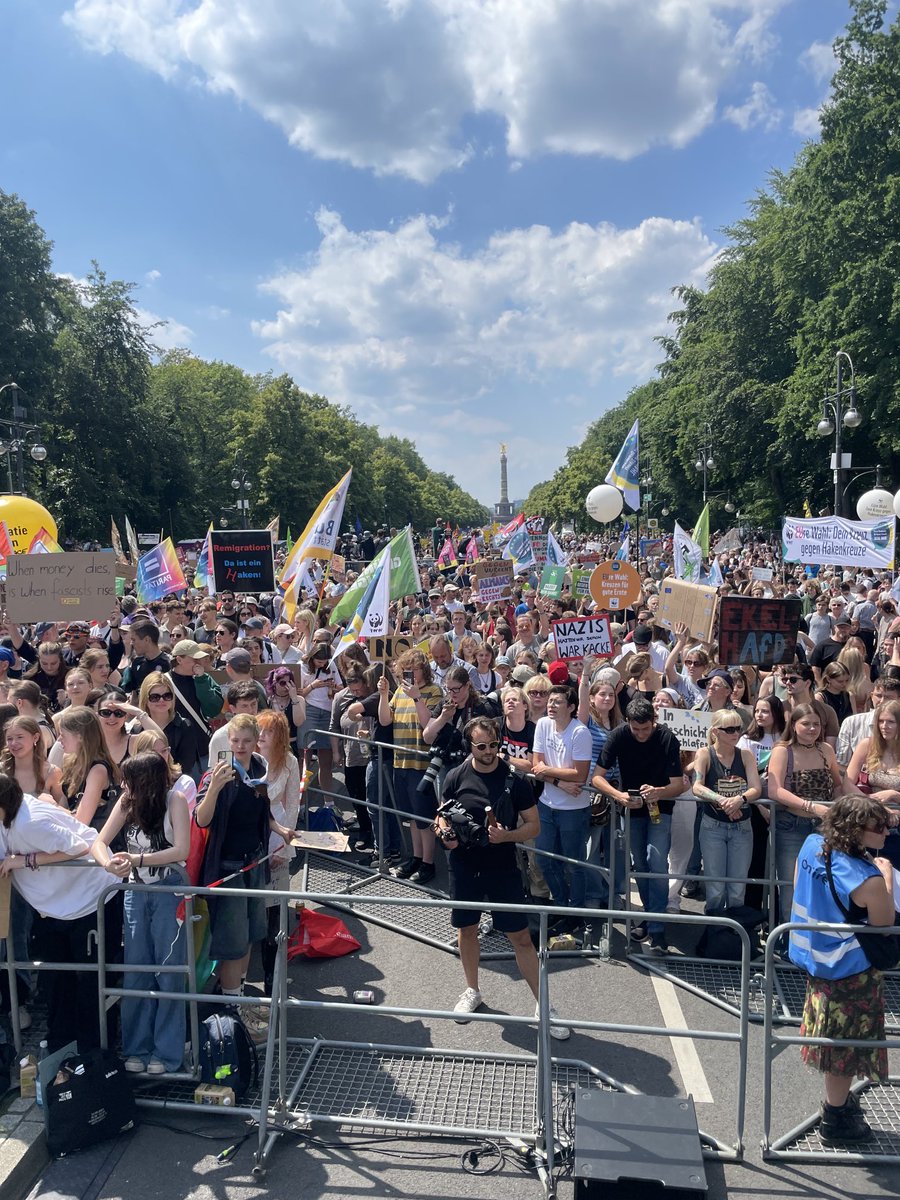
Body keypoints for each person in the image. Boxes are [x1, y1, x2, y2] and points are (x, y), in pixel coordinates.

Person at [438, 716, 569, 1040]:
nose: (488, 752)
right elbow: (440, 816)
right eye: (481, 746)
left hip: (502, 867)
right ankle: (472, 991)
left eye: (494, 745)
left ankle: (544, 1006)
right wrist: (445, 835)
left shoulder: (516, 781)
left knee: (521, 938)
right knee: (466, 929)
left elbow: (534, 826)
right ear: (470, 746)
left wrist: (507, 836)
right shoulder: (455, 776)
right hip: (465, 865)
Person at [789, 794, 894, 1143]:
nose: (887, 830)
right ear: (855, 831)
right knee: (844, 1048)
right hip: (849, 970)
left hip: (814, 959)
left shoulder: (811, 845)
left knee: (833, 1042)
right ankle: (836, 1119)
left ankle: (838, 1106)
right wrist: (886, 878)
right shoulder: (869, 880)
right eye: (878, 826)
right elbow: (884, 924)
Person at [0, 775, 123, 1052]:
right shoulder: (12, 815)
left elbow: (80, 846)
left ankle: (95, 1051)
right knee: (56, 979)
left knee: (90, 980)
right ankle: (61, 1045)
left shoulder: (30, 823)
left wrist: (26, 860)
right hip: (53, 908)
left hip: (89, 901)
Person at [195, 714, 293, 1036]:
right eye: (234, 741)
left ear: (256, 742)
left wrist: (280, 829)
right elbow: (202, 819)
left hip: (254, 863)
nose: (239, 747)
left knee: (252, 933)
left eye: (246, 741)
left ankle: (237, 1002)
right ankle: (231, 1011)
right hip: (229, 869)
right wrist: (214, 789)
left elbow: (262, 813)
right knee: (233, 943)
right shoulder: (216, 774)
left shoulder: (259, 770)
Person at [94, 752, 191, 1074]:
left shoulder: (174, 799)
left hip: (168, 891)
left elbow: (182, 850)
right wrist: (107, 861)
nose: (124, 786)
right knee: (136, 971)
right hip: (135, 892)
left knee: (169, 972)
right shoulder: (126, 802)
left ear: (144, 781)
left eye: (129, 780)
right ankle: (137, 1047)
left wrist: (136, 861)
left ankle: (167, 1052)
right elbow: (99, 841)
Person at [594, 697, 684, 954]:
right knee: (640, 863)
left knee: (656, 861)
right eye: (636, 729)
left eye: (646, 729)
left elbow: (678, 785)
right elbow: (597, 777)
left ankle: (656, 927)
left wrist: (659, 791)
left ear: (654, 722)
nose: (641, 734)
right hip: (631, 808)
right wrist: (619, 796)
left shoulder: (667, 738)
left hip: (661, 808)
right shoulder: (619, 735)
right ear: (629, 723)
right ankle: (651, 914)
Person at [768, 704, 848, 923]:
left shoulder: (826, 750)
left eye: (816, 724)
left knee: (824, 883)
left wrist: (839, 807)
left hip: (824, 827)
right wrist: (811, 806)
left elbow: (839, 785)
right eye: (806, 724)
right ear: (793, 726)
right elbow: (775, 791)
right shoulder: (782, 750)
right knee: (790, 886)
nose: (812, 729)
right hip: (791, 827)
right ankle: (788, 938)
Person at [378, 649, 443, 884]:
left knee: (425, 817)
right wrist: (384, 695)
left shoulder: (434, 692)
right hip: (400, 761)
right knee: (412, 817)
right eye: (404, 669)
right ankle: (416, 857)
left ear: (423, 669)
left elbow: (429, 725)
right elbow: (385, 720)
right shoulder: (399, 693)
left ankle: (428, 863)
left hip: (421, 763)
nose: (408, 673)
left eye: (412, 669)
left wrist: (417, 697)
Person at [532, 683, 592, 933]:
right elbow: (536, 764)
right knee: (544, 859)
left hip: (574, 811)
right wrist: (558, 781)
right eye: (550, 701)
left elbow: (580, 773)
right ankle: (561, 904)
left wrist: (548, 771)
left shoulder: (580, 732)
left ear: (571, 707)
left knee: (574, 863)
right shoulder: (543, 725)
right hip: (547, 805)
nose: (551, 705)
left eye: (557, 702)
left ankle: (575, 912)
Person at [691, 710, 762, 912]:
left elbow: (755, 788)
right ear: (716, 732)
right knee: (715, 887)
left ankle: (734, 935)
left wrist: (739, 800)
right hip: (713, 825)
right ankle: (715, 933)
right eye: (729, 729)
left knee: (737, 887)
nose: (735, 733)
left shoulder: (746, 755)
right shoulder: (704, 753)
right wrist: (723, 800)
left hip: (742, 826)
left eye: (738, 728)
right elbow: (697, 786)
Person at [256, 710, 301, 994]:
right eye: (258, 730)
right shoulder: (249, 760)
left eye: (267, 731)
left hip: (278, 834)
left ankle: (272, 976)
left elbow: (293, 804)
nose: (261, 736)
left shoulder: (290, 762)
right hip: (251, 835)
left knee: (274, 912)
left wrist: (285, 845)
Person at [297, 643, 342, 796]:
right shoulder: (302, 666)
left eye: (324, 662)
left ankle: (328, 803)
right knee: (304, 760)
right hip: (309, 711)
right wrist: (313, 686)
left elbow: (341, 688)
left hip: (328, 711)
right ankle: (300, 803)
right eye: (319, 662)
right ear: (312, 657)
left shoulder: (331, 664)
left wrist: (334, 687)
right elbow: (298, 694)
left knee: (326, 761)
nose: (322, 665)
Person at [1, 715, 64, 805]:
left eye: (20, 737)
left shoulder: (51, 773)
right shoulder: (2, 771)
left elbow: (64, 814)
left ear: (35, 738)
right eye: (9, 739)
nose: (14, 743)